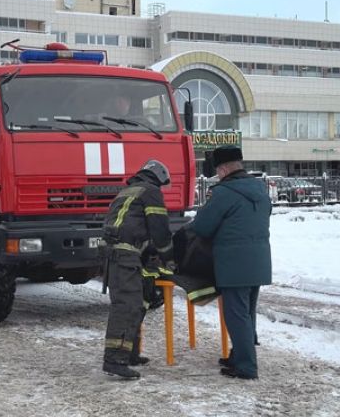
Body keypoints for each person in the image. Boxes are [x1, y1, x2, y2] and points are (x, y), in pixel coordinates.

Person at [191, 146, 271, 380]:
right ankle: (239, 355)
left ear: (224, 168)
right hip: (259, 260)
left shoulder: (224, 193)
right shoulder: (260, 189)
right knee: (246, 312)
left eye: (217, 170)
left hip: (234, 263)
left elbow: (202, 226)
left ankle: (246, 366)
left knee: (236, 315)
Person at [100, 159, 175, 379]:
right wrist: (169, 257)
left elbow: (132, 225)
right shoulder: (151, 191)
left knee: (136, 302)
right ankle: (114, 359)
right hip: (123, 254)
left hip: (115, 253)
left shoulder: (129, 190)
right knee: (127, 305)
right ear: (159, 177)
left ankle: (129, 353)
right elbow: (160, 231)